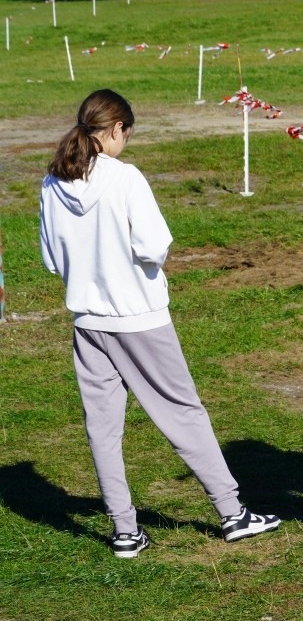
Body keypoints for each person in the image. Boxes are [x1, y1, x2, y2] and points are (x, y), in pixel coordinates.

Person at [39, 89, 280, 559]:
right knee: (183, 412)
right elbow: (153, 247)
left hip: (88, 322)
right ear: (116, 130)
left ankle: (125, 531)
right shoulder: (125, 179)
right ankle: (233, 514)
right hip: (140, 318)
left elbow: (52, 260)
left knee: (102, 428)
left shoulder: (53, 182)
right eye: (126, 134)